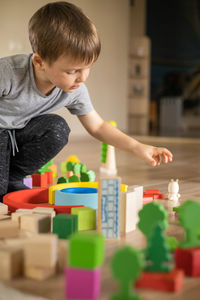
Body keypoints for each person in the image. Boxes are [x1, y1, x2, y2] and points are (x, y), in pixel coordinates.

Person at [0, 1, 172, 200]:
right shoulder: (9, 73)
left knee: (57, 129)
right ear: (39, 62)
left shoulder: (74, 89)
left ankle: (13, 176)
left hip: (18, 134)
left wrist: (138, 147)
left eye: (87, 67)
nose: (82, 78)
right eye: (72, 71)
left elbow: (98, 127)